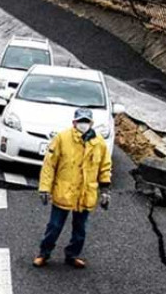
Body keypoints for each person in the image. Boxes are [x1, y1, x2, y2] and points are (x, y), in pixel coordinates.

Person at [34, 108, 112, 269]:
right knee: (54, 226)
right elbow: (49, 165)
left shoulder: (99, 143)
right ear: (74, 122)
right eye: (80, 121)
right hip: (64, 191)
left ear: (91, 123)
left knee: (80, 229)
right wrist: (44, 188)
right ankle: (44, 253)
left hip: (85, 193)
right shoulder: (62, 138)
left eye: (86, 121)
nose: (83, 124)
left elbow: (105, 167)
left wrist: (105, 190)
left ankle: (72, 255)